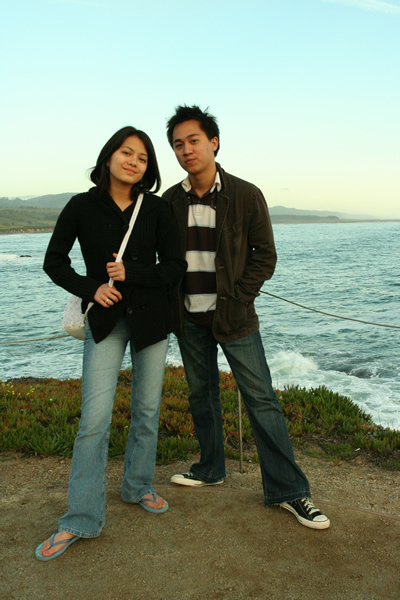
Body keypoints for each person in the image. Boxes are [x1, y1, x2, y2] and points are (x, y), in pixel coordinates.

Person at [162, 105, 330, 530]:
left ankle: (290, 491)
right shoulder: (170, 201)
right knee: (201, 396)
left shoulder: (245, 194)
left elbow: (264, 256)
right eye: (178, 144)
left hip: (234, 317)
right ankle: (211, 468)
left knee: (261, 400)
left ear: (214, 142)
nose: (186, 150)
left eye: (194, 140)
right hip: (188, 317)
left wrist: (237, 299)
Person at [35, 126, 187, 560]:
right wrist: (93, 289)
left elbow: (174, 266)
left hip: (151, 321)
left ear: (147, 168)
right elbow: (54, 261)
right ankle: (80, 517)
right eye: (126, 152)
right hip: (104, 321)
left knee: (147, 410)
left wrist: (131, 274)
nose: (133, 162)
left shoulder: (155, 208)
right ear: (108, 157)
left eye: (142, 158)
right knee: (94, 421)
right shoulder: (81, 206)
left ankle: (137, 486)